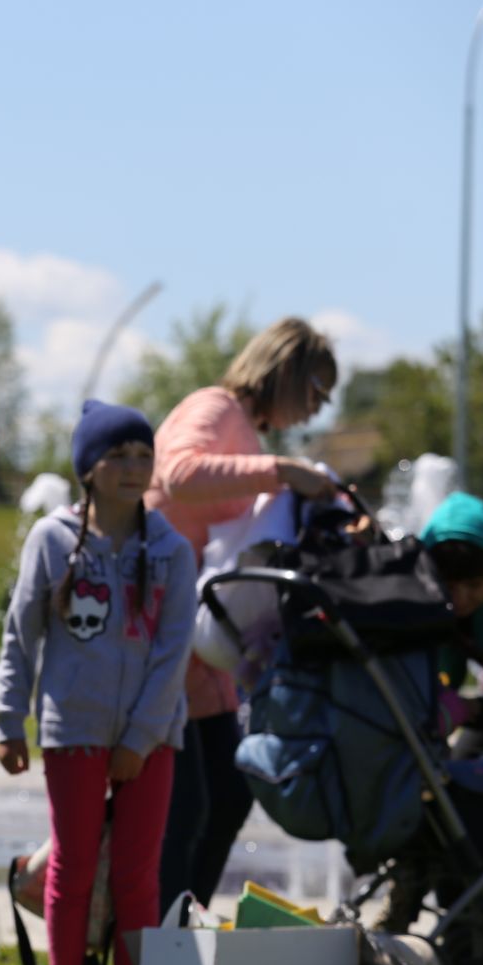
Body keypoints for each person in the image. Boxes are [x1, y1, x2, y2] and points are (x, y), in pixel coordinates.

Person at [0, 402, 196, 965]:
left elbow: (173, 653)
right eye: (120, 455)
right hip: (70, 729)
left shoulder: (171, 550)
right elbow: (20, 635)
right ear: (88, 468)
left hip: (153, 736)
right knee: (73, 866)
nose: (136, 467)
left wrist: (139, 738)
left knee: (139, 874)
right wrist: (8, 717)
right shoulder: (51, 540)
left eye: (144, 454)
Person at [146, 317, 337, 908]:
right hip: (157, 625)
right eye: (314, 392)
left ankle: (181, 935)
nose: (318, 409)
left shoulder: (245, 433)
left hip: (198, 643)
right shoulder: (215, 407)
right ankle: (156, 950)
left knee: (227, 795)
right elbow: (177, 475)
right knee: (184, 805)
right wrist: (280, 472)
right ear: (285, 370)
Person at [421, 491, 483, 757]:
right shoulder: (429, 602)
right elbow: (446, 667)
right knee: (460, 769)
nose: (460, 600)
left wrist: (471, 708)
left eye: (473, 585)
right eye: (448, 585)